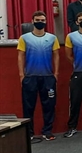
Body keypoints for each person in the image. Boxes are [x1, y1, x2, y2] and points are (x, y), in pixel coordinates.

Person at [18, 11, 60, 141]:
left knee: (49, 106)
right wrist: (21, 75)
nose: (40, 22)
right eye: (37, 20)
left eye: (42, 20)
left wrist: (56, 73)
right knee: (28, 107)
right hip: (30, 77)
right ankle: (29, 133)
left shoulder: (52, 38)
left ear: (46, 22)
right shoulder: (24, 38)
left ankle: (47, 131)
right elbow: (20, 56)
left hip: (47, 77)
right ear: (32, 21)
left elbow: (56, 55)